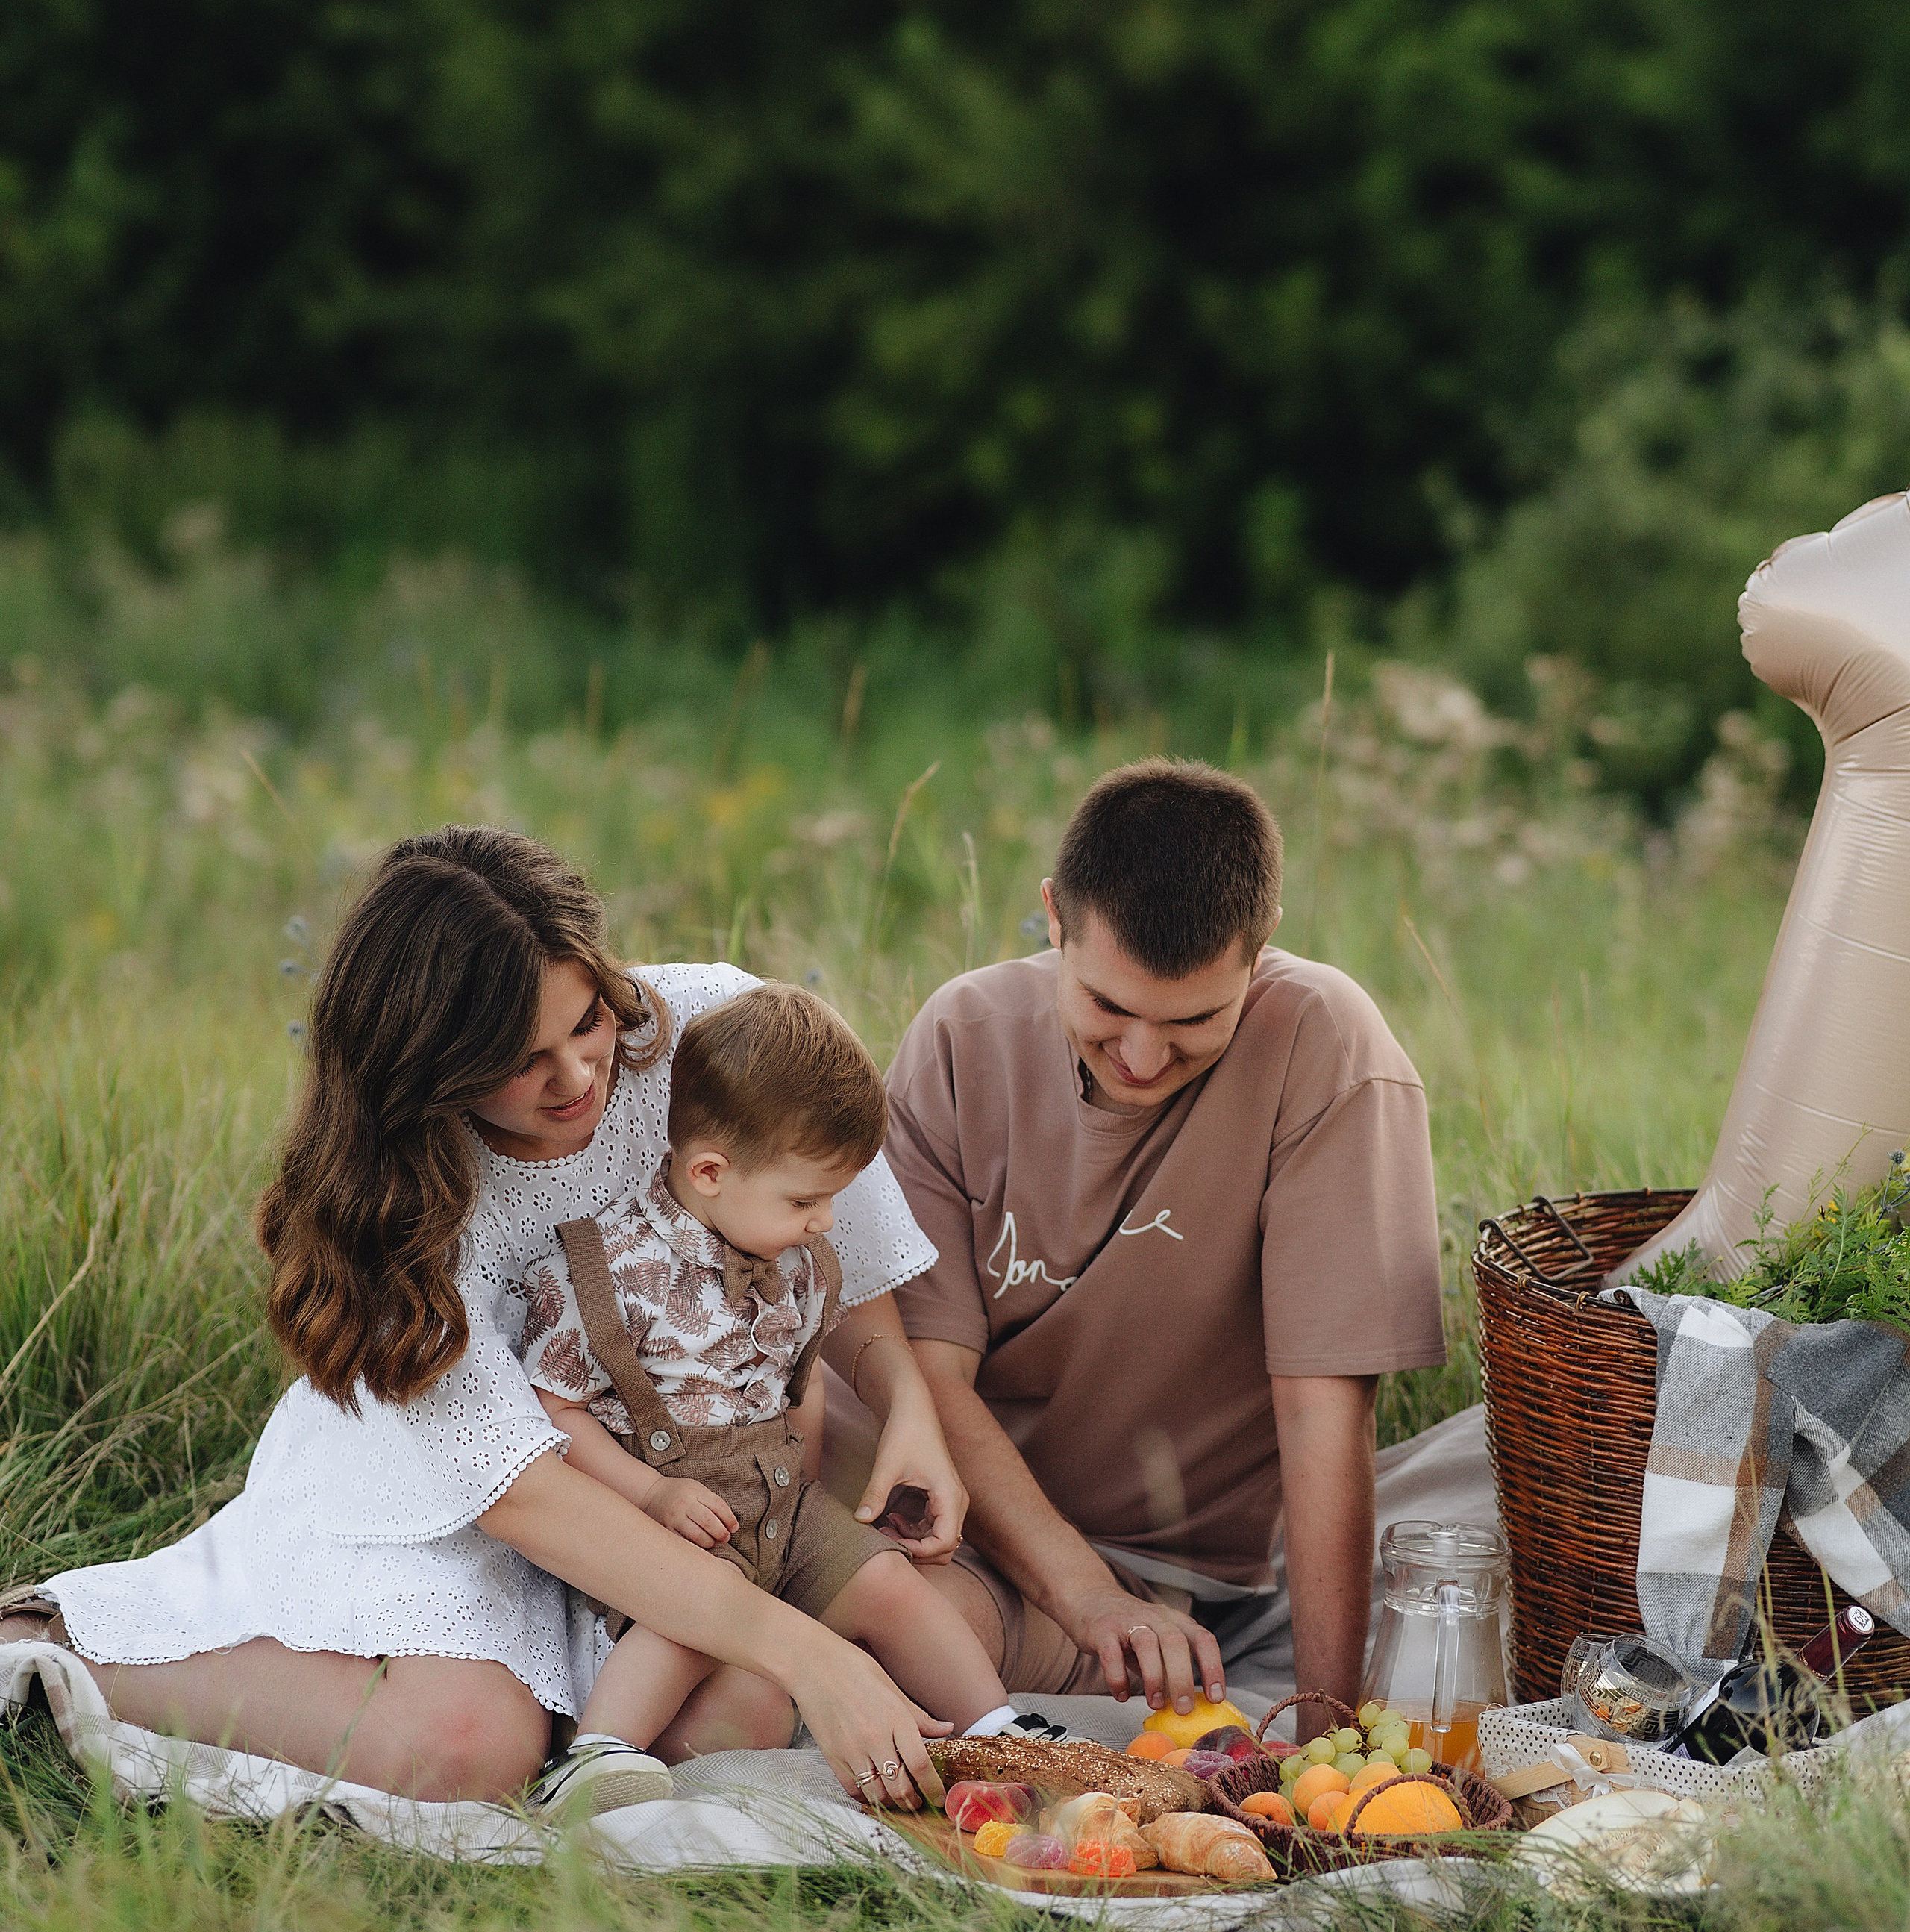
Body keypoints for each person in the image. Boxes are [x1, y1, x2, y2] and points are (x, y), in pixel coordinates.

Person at [0, 829, 969, 1813]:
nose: (578, 1077)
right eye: (519, 1060)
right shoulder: (396, 1206)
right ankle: (50, 1643)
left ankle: (599, 1716)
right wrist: (814, 1657)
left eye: (587, 1018)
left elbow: (835, 1254)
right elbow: (525, 1495)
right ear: (428, 1066)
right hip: (454, 1475)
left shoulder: (715, 1029)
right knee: (470, 1744)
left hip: (663, 1469)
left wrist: (908, 1411)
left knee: (739, 1715)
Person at [874, 757, 1447, 1719]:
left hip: (1167, 1569)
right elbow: (930, 1379)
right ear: (1053, 917)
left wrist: (1325, 1729)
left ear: (1259, 952)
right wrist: (1083, 1594)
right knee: (854, 1641)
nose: (1144, 1057)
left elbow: (1323, 1411)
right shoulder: (960, 1035)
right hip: (953, 1522)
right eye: (1107, 1006)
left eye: (1194, 1021)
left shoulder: (1326, 1046)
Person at [520, 981, 1012, 1759]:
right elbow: (555, 1414)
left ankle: (1000, 1728)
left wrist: (804, 1509)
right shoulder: (604, 1272)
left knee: (888, 1581)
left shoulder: (798, 1261)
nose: (823, 1221)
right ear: (710, 1172)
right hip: (669, 1515)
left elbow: (802, 1381)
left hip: (785, 1507)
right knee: (682, 1619)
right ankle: (598, 1754)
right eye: (806, 1200)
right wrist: (652, 1493)